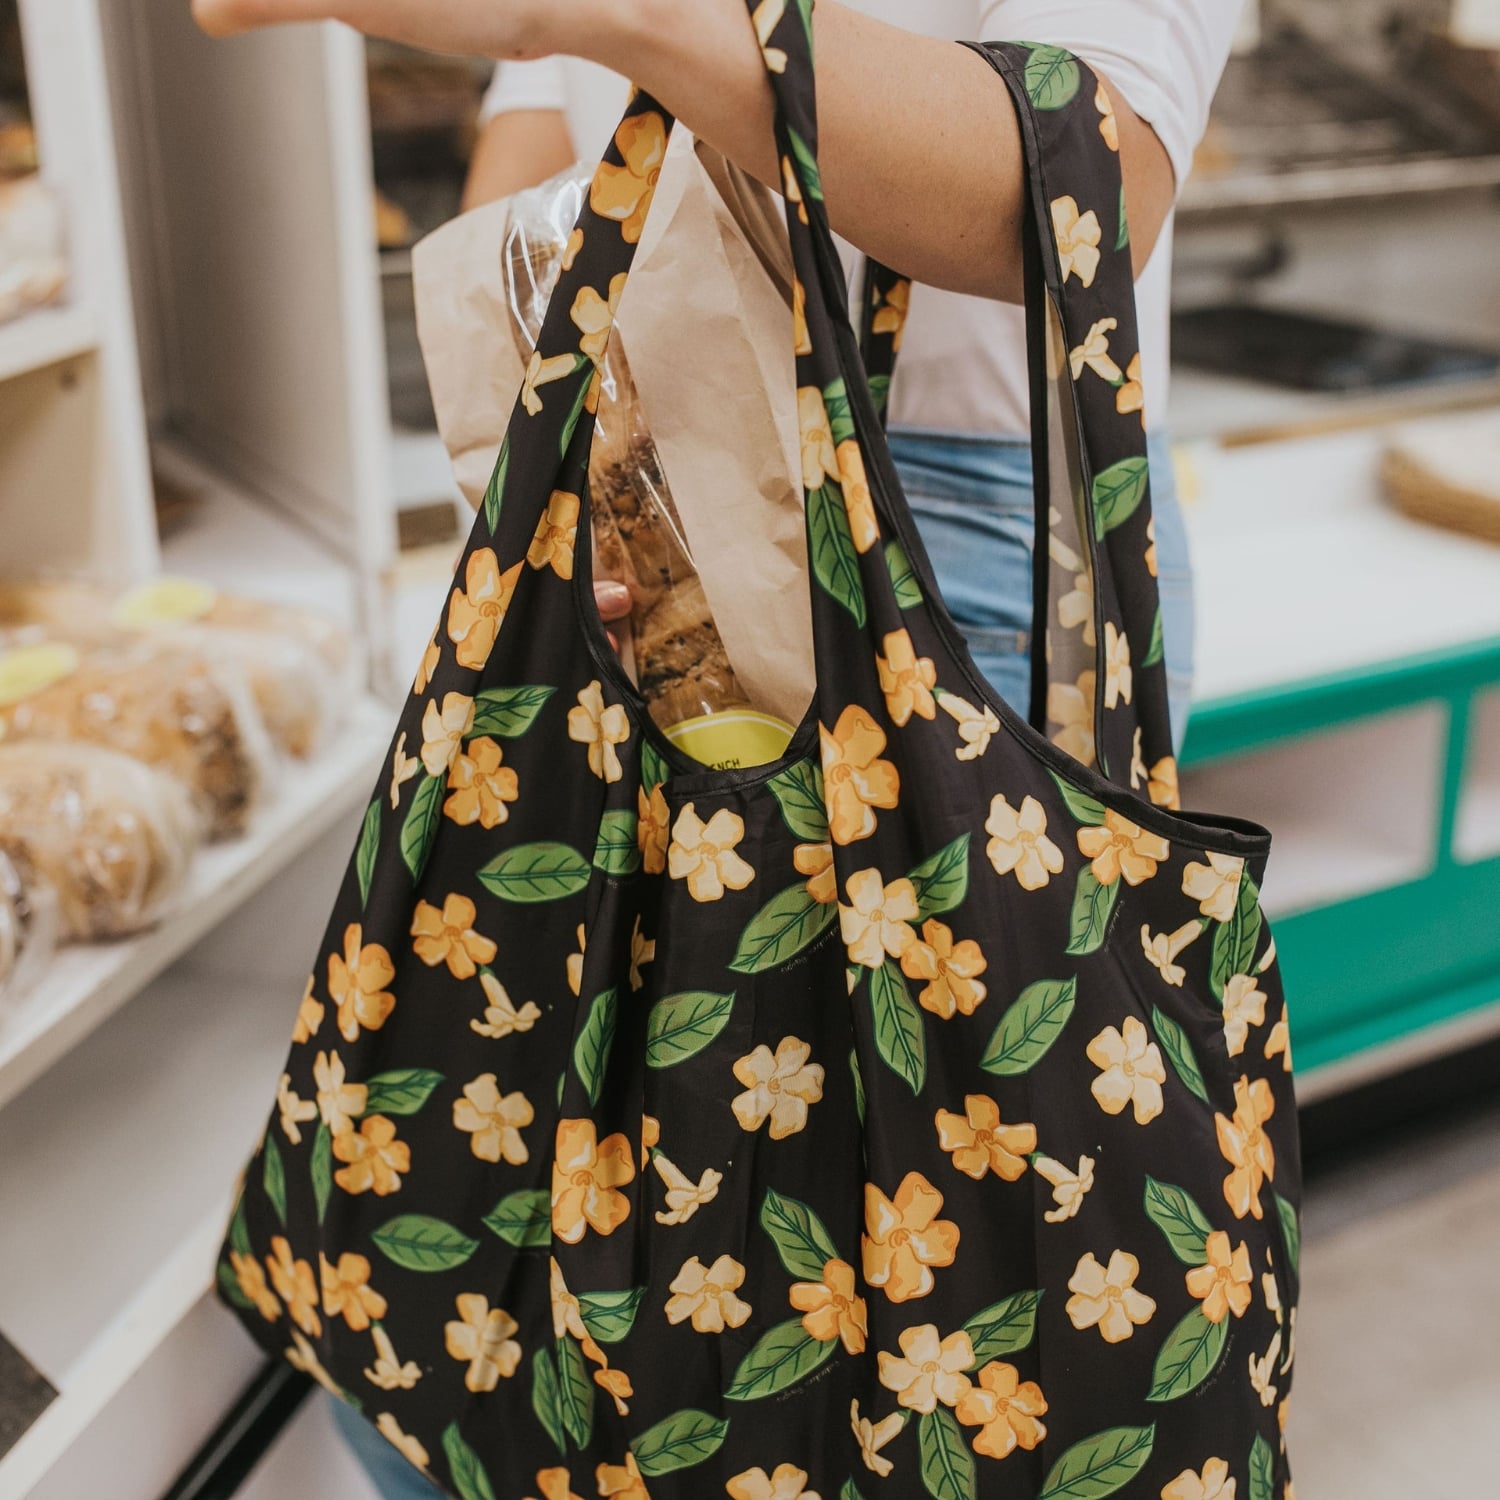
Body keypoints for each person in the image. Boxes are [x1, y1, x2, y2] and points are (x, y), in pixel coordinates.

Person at [194, 3, 1243, 1495]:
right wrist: (589, 415)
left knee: (894, 1314)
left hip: (956, 526)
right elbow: (537, 112)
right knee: (506, 1254)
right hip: (634, 458)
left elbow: (1077, 185)